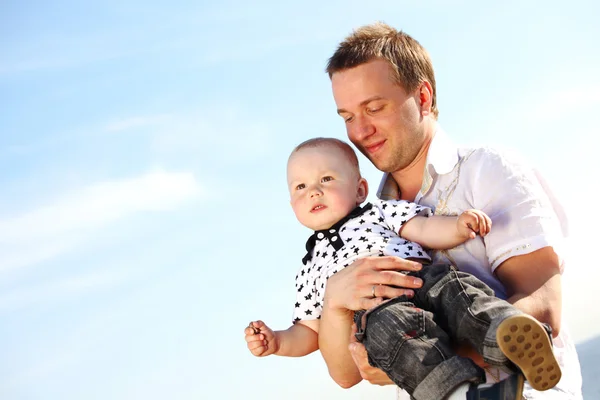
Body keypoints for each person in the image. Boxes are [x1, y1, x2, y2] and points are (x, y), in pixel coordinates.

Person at [317, 22, 582, 399]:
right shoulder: (364, 225)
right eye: (347, 117)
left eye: (374, 108)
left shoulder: (488, 169)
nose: (360, 131)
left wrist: (408, 357)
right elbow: (346, 375)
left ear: (423, 97)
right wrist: (334, 300)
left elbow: (541, 308)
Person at [244, 137, 561, 400]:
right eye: (300, 187)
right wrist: (278, 342)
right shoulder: (310, 269)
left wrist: (458, 228)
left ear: (360, 189)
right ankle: (463, 395)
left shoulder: (378, 213)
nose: (313, 190)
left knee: (460, 292)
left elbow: (421, 228)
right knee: (408, 348)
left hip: (424, 279)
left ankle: (506, 332)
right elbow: (309, 331)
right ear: (291, 204)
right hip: (380, 313)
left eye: (326, 179)